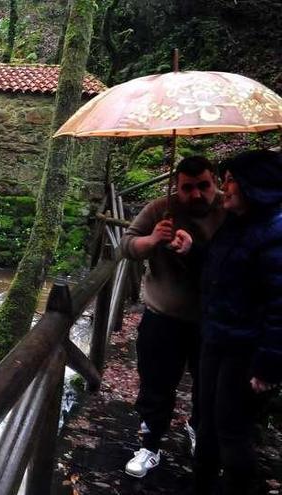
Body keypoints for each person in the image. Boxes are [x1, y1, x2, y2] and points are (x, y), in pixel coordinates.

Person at [120, 156, 226, 478]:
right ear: (177, 187)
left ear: (216, 182)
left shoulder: (230, 209)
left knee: (208, 384)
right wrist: (152, 240)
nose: (196, 195)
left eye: (204, 186)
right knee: (156, 382)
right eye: (187, 188)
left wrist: (195, 249)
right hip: (163, 315)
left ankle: (198, 428)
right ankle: (150, 444)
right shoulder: (159, 209)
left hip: (212, 318)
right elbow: (126, 245)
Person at [194, 149, 282, 494]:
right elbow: (227, 272)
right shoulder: (238, 222)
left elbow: (280, 305)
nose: (224, 187)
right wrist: (193, 250)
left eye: (231, 180)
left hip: (245, 349)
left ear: (254, 186)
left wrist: (267, 366)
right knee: (207, 423)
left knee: (231, 430)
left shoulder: (274, 232)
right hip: (217, 338)